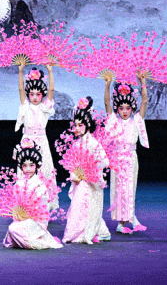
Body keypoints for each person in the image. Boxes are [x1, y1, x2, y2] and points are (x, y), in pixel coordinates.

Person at [62, 97, 112, 244]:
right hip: (81, 180)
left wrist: (90, 172)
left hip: (91, 182)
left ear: (88, 125)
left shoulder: (93, 143)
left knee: (85, 207)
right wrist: (75, 174)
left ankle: (89, 232)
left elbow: (105, 162)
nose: (77, 128)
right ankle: (101, 231)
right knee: (84, 208)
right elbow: (74, 164)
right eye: (75, 125)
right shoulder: (77, 143)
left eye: (81, 125)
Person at [104, 74, 149, 234]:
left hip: (131, 158)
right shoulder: (114, 121)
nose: (124, 111)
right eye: (121, 108)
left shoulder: (136, 120)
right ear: (117, 108)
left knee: (130, 188)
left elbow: (144, 101)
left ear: (132, 109)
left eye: (128, 108)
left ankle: (131, 217)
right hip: (117, 158)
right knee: (119, 189)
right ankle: (121, 223)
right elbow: (107, 103)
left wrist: (143, 82)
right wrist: (108, 85)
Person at [3, 145, 63, 249]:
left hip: (36, 221)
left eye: (31, 165)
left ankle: (35, 243)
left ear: (37, 166)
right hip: (22, 219)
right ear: (21, 167)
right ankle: (27, 241)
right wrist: (18, 216)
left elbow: (43, 209)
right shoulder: (19, 183)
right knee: (12, 228)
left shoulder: (39, 185)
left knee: (14, 230)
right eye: (25, 166)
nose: (28, 169)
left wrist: (28, 216)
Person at [15, 64, 58, 209]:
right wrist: (21, 70)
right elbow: (21, 89)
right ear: (28, 94)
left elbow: (51, 90)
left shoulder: (45, 107)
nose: (34, 97)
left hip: (41, 142)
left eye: (38, 94)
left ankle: (43, 205)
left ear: (42, 94)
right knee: (25, 170)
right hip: (27, 140)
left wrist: (50, 70)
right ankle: (25, 205)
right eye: (32, 94)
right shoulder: (25, 105)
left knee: (44, 170)